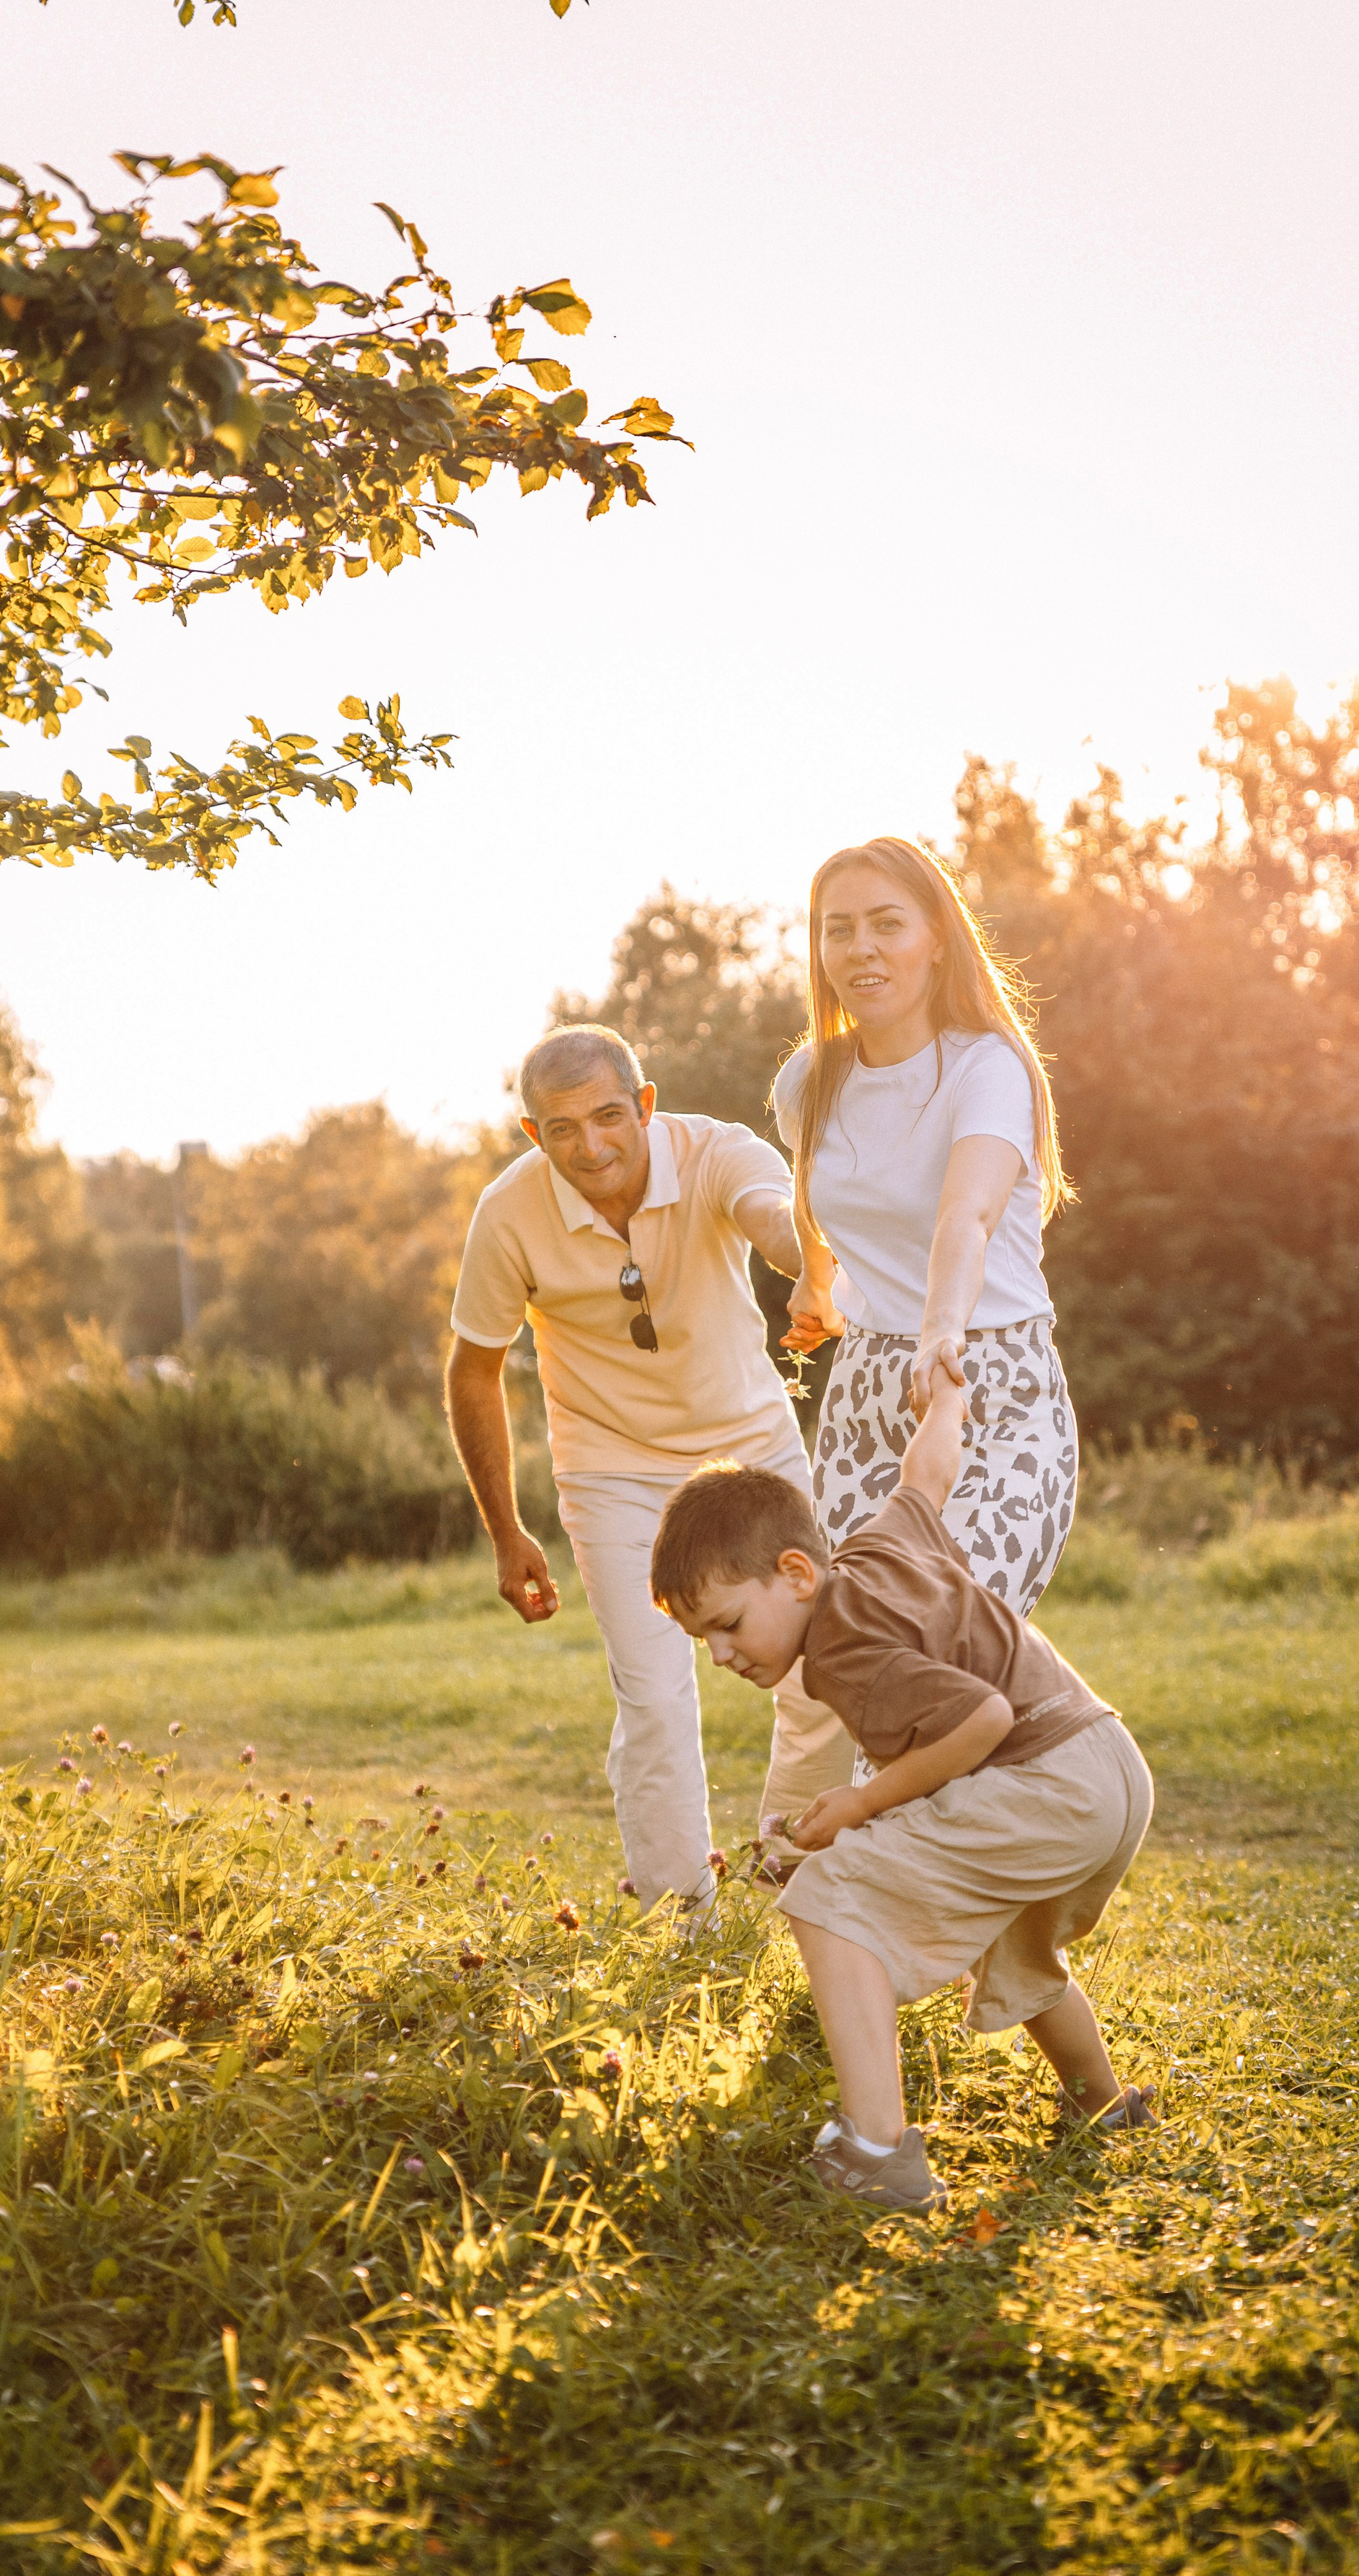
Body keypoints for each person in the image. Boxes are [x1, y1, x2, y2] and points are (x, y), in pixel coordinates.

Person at [650, 1364, 1155, 2214]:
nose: (723, 1656)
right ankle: (1104, 2105)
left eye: (728, 1625)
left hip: (1042, 1777)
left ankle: (877, 2149)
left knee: (826, 1901)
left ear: (796, 1574)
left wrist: (857, 1806)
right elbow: (926, 1474)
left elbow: (982, 1721)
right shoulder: (877, 1547)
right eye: (705, 1641)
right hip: (1106, 1764)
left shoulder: (842, 1648)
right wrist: (947, 1400)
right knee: (1013, 1946)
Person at [445, 1024, 851, 1911]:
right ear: (531, 1135)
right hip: (611, 1466)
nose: (589, 1147)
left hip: (750, 1442)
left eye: (606, 1118)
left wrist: (812, 1272)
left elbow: (775, 1221)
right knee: (658, 1701)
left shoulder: (714, 1154)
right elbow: (472, 1370)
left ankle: (795, 1876)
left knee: (824, 1661)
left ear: (646, 1107)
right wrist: (506, 1532)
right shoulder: (509, 1213)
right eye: (560, 1129)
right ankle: (679, 1925)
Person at [759, 833, 1082, 1846]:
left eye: (886, 923)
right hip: (865, 1397)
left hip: (990, 1380)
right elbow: (831, 1214)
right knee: (861, 1658)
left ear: (937, 938)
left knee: (947, 1649)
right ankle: (878, 1907)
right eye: (837, 928)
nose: (861, 948)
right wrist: (821, 1286)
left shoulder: (987, 1066)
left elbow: (965, 1217)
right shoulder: (806, 1084)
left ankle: (963, 1890)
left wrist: (941, 1327)